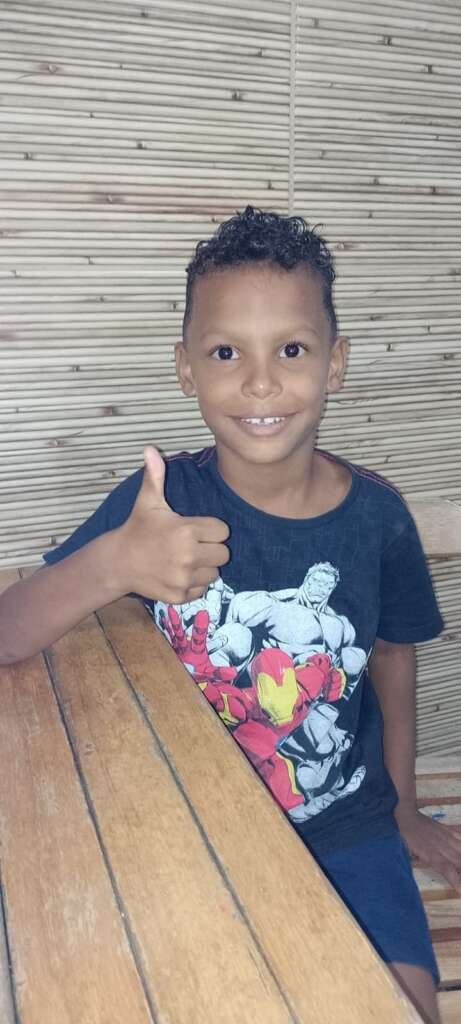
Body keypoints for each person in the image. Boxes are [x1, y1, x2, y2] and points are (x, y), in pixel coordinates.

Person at [1, 206, 459, 1023]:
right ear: (186, 368)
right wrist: (115, 563)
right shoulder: (162, 501)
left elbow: (393, 654)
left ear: (335, 362)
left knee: (401, 1009)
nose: (259, 383)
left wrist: (398, 804)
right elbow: (7, 634)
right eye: (225, 352)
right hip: (182, 829)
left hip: (346, 829)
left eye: (291, 349)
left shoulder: (378, 517)